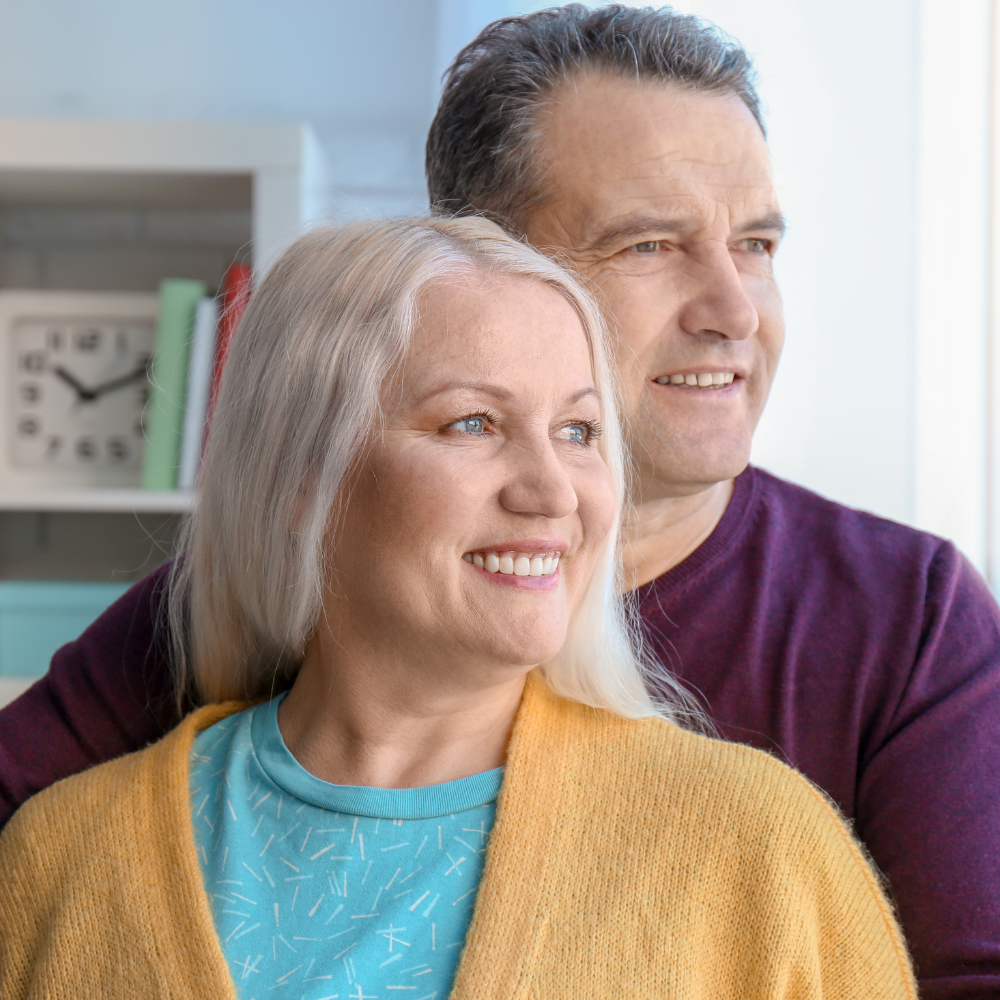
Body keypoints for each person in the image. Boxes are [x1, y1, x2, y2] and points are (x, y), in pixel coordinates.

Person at [0, 6, 996, 997]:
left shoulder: (904, 619)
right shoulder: (250, 609)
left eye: (758, 247)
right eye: (649, 244)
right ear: (479, 255)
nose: (733, 309)